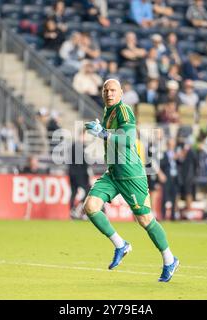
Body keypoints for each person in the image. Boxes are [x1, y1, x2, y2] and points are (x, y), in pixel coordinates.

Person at [83, 79, 179, 282]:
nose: (109, 94)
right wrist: (103, 131)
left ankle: (169, 259)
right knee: (91, 206)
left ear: (121, 93)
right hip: (113, 173)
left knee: (144, 219)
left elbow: (127, 140)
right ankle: (120, 245)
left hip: (131, 175)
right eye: (106, 90)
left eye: (113, 91)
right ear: (102, 93)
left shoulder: (124, 110)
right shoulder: (108, 113)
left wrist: (102, 133)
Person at [68, 130, 91, 219]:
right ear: (82, 135)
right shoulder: (79, 146)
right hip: (79, 174)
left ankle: (73, 212)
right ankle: (80, 210)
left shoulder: (74, 145)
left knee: (73, 192)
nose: (86, 138)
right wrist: (87, 175)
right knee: (88, 191)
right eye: (85, 135)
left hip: (72, 173)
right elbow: (82, 163)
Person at [159, 138, 180, 220]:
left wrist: (179, 158)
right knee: (165, 197)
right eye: (170, 144)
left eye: (173, 145)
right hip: (167, 178)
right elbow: (160, 164)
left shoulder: (176, 154)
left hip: (175, 178)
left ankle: (173, 216)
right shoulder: (164, 154)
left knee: (175, 197)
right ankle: (163, 216)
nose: (171, 146)